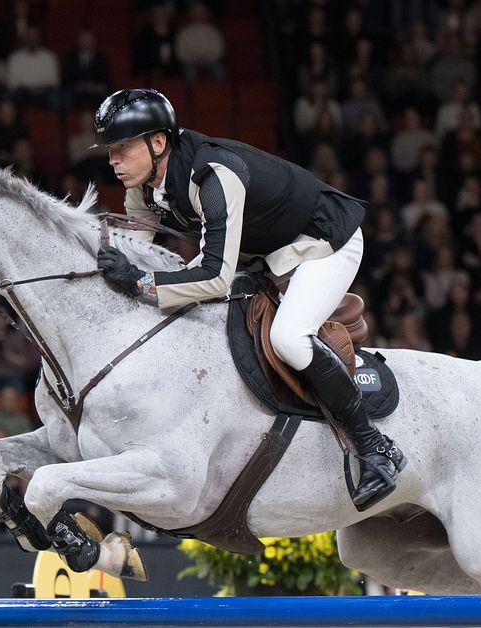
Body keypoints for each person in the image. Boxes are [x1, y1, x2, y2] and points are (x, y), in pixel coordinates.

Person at [91, 88, 403, 511]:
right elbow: (135, 245)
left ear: (158, 142)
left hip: (322, 242)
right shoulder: (143, 186)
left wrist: (142, 283)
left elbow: (215, 277)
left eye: (122, 149)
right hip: (266, 255)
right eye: (110, 151)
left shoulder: (213, 175)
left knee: (289, 338)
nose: (113, 161)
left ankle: (374, 447)